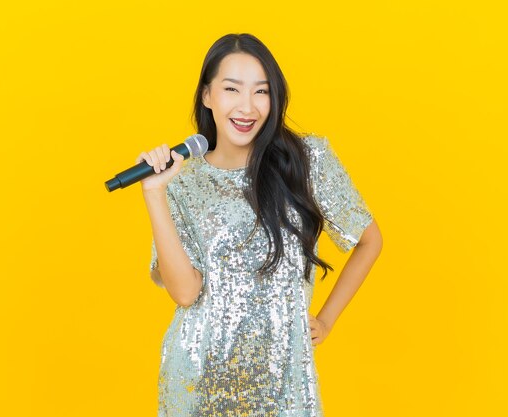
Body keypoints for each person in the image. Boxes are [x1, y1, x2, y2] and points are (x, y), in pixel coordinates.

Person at [137, 33, 383, 417]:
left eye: (261, 92)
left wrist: (327, 320)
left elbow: (369, 240)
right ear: (207, 96)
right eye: (231, 89)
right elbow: (185, 293)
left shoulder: (307, 160)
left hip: (286, 386)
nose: (247, 106)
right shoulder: (182, 181)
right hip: (199, 382)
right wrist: (154, 192)